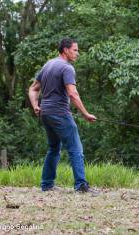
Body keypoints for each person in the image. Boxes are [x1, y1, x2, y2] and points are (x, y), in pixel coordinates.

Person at [28, 38, 97, 193]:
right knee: (75, 149)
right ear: (65, 50)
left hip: (46, 113)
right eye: (75, 50)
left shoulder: (48, 65)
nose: (77, 53)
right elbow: (73, 93)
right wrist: (85, 114)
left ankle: (47, 184)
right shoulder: (67, 68)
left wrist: (35, 106)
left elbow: (33, 89)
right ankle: (81, 186)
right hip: (60, 113)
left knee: (54, 148)